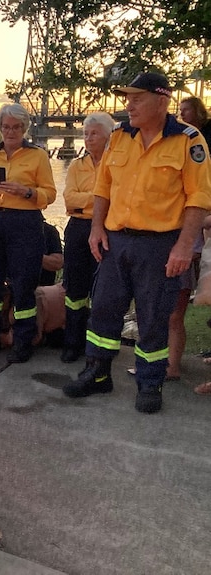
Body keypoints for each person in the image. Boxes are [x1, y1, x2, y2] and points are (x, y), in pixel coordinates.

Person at [63, 72, 211, 414]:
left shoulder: (189, 141)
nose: (128, 104)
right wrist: (97, 228)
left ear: (162, 102)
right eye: (127, 97)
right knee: (103, 309)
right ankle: (98, 373)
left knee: (153, 317)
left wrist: (184, 246)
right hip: (116, 241)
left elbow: (198, 199)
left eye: (137, 98)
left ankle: (149, 382)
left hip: (160, 245)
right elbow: (103, 187)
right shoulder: (118, 135)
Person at [0, 103, 57, 363]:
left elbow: (49, 194)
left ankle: (24, 339)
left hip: (24, 221)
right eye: (6, 127)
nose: (10, 131)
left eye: (16, 127)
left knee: (23, 283)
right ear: (0, 128)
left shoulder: (37, 155)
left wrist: (26, 191)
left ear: (24, 128)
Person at [60, 112, 116, 363]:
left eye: (94, 133)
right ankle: (73, 343)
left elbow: (117, 201)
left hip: (107, 230)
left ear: (108, 135)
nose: (88, 138)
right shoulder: (76, 165)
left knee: (104, 292)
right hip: (78, 229)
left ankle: (100, 351)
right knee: (75, 289)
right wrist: (98, 200)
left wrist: (89, 202)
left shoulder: (116, 165)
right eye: (85, 133)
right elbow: (69, 200)